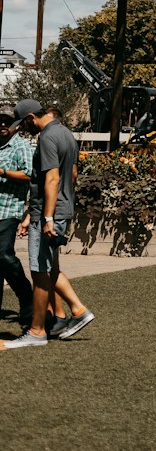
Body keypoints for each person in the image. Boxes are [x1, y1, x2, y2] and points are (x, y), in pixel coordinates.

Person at [1, 99, 93, 350]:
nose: (24, 128)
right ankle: (76, 311)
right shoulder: (66, 134)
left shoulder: (46, 138)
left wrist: (47, 216)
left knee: (40, 271)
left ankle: (37, 330)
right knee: (50, 268)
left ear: (31, 117)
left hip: (49, 214)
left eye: (24, 123)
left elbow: (51, 179)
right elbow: (71, 175)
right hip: (59, 209)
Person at [0, 110, 33, 331]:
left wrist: (2, 171)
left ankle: (26, 297)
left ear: (16, 126)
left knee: (3, 254)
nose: (3, 125)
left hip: (9, 209)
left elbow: (30, 174)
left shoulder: (21, 146)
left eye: (7, 122)